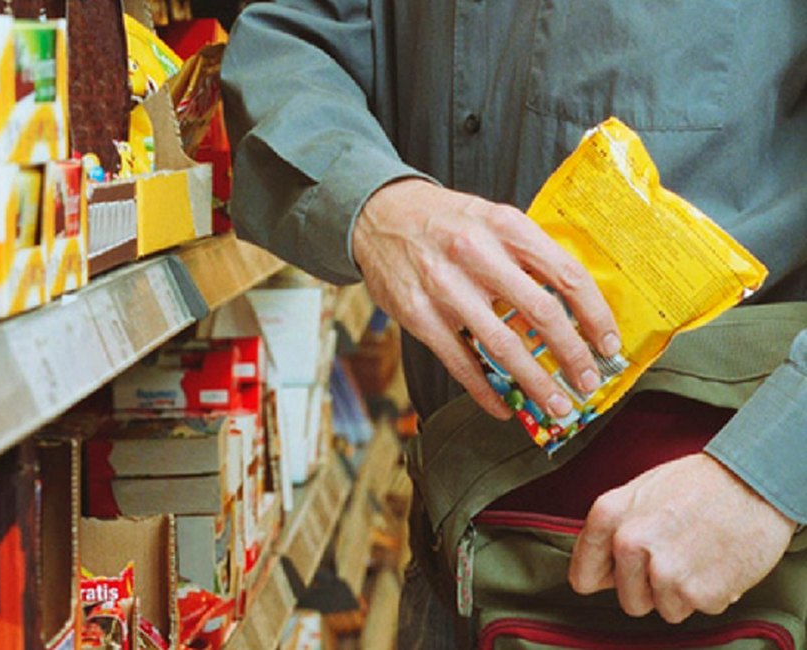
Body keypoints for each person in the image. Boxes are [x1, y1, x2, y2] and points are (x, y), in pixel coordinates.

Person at [220, 1, 807, 647]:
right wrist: (376, 202)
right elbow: (294, 37)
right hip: (458, 572)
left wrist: (768, 473)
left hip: (737, 590)